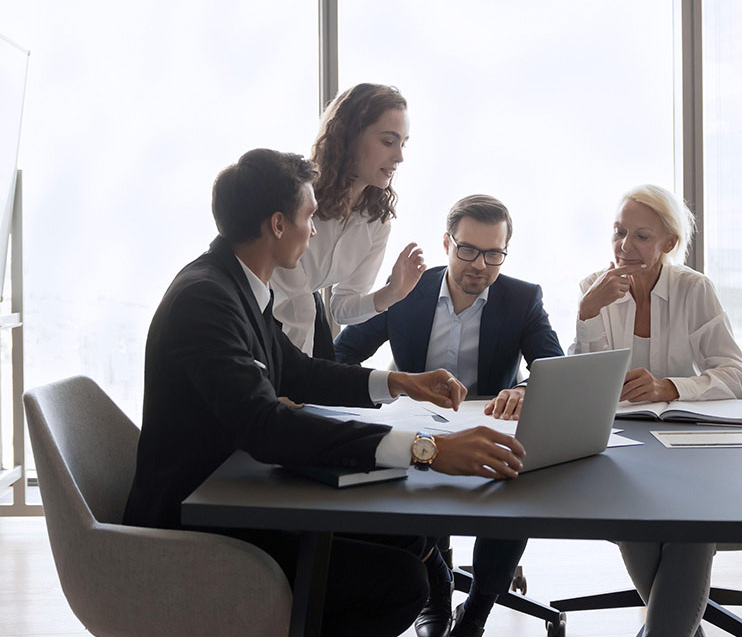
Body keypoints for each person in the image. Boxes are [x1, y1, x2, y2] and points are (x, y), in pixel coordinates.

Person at [122, 149, 526, 637]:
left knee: (405, 533)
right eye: (310, 216)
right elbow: (268, 427)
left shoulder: (235, 283)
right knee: (399, 584)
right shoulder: (206, 299)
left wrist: (400, 383)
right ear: (277, 224)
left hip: (236, 487)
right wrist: (429, 450)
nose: (314, 231)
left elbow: (297, 372)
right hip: (200, 517)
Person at [335, 194, 564, 637]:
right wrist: (391, 388)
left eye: (493, 253)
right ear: (447, 244)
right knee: (403, 484)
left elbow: (551, 369)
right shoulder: (408, 293)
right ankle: (436, 594)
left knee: (515, 482)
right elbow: (341, 356)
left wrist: (521, 389)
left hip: (489, 430)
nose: (479, 264)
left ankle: (475, 612)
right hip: (417, 430)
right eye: (468, 249)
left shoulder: (521, 299)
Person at [570, 184, 742, 637]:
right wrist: (587, 313)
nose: (625, 246)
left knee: (689, 519)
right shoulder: (593, 289)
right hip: (621, 451)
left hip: (690, 449)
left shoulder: (694, 289)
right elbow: (578, 386)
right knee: (655, 519)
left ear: (668, 243)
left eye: (641, 236)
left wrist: (670, 386)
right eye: (619, 232)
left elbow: (734, 373)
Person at [271, 83, 426, 358]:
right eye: (388, 142)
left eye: (403, 144)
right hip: (254, 324)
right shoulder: (298, 195)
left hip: (298, 338)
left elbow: (341, 308)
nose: (399, 157)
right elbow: (292, 303)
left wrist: (392, 293)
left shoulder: (376, 222)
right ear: (350, 136)